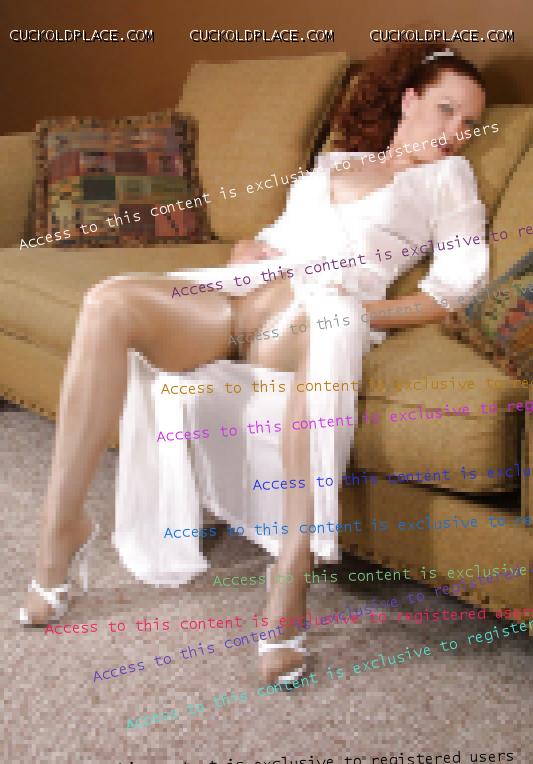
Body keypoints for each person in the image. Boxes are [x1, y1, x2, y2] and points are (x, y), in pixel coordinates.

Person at [19, 41, 489, 686]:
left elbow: (452, 291)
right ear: (409, 100)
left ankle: (290, 576)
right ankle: (62, 526)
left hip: (308, 317)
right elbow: (280, 235)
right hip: (239, 296)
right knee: (109, 301)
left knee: (329, 325)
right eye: (446, 110)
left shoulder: (447, 179)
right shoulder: (334, 163)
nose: (456, 131)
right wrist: (245, 246)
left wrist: (358, 310)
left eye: (469, 122)